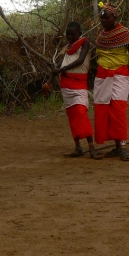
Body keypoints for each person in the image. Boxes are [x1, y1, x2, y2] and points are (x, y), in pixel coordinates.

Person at [93, 0, 129, 161]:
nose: (103, 21)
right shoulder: (102, 36)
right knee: (104, 110)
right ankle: (117, 146)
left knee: (118, 110)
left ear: (115, 17)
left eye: (106, 17)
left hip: (119, 75)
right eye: (101, 18)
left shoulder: (124, 33)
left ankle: (123, 147)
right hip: (102, 76)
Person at [51, 21, 96, 158]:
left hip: (79, 85)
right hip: (66, 85)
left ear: (79, 33)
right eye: (67, 35)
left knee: (81, 113)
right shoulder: (68, 48)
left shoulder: (85, 43)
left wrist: (62, 69)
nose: (69, 37)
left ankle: (91, 147)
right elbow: (58, 66)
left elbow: (81, 60)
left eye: (72, 34)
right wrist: (48, 82)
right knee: (72, 116)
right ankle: (78, 147)